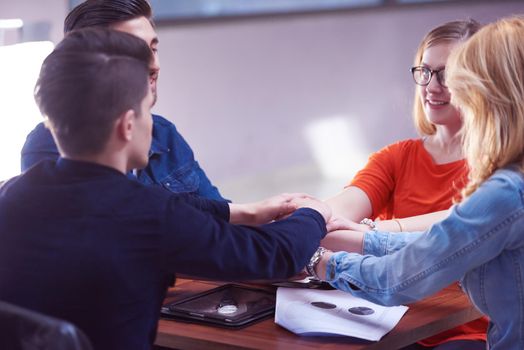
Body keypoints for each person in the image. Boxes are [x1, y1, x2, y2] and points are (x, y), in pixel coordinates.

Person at [0, 28, 331, 350]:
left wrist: (240, 211)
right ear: (128, 125)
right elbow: (271, 255)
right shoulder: (146, 216)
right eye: (147, 110)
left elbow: (168, 207)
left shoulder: (12, 195)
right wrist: (314, 214)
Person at [309, 16, 524, 350]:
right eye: (426, 72)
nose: (435, 86)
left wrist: (318, 261)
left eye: (457, 78)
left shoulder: (506, 191)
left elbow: (401, 276)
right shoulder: (509, 181)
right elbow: (441, 245)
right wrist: (312, 224)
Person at [20, 0, 226, 201]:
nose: (154, 64)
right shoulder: (48, 145)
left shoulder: (164, 133)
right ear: (88, 61)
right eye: (135, 52)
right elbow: (121, 220)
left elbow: (220, 220)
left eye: (153, 50)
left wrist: (248, 216)